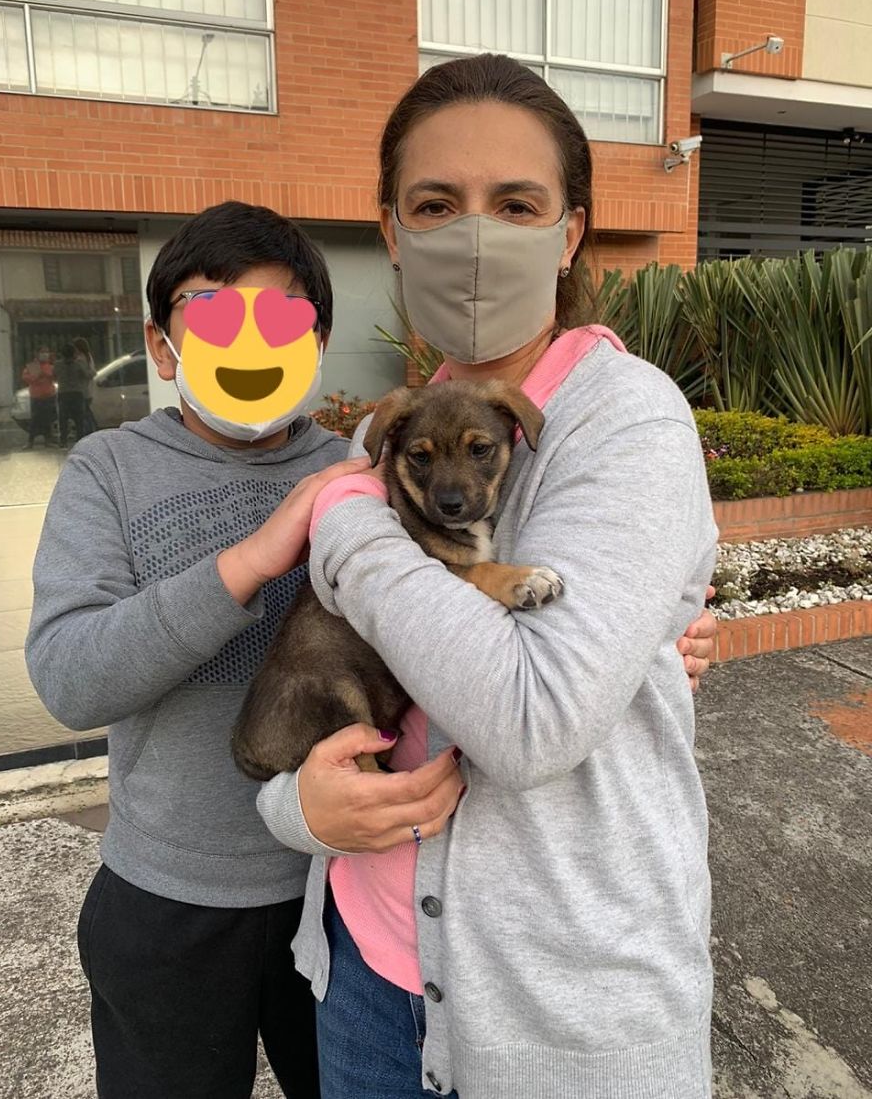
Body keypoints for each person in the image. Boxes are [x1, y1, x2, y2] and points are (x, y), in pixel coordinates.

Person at [27, 199, 714, 1099]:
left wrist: (655, 639)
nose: (247, 345)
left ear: (315, 344)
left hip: (341, 902)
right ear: (162, 346)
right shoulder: (108, 469)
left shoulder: (372, 457)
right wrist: (250, 561)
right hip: (174, 896)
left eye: (280, 320)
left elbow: (466, 609)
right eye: (209, 317)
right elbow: (70, 679)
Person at [257, 54, 719, 1099]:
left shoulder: (626, 419)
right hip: (366, 979)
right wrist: (299, 815)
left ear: (567, 234)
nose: (474, 238)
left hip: (565, 1020)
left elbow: (528, 724)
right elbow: (311, 674)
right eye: (435, 205)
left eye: (515, 204)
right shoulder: (402, 424)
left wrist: (345, 518)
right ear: (391, 234)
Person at [54, 342, 92, 447]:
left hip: (63, 394)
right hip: (77, 394)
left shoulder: (57, 365)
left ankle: (63, 441)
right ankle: (80, 440)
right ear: (74, 353)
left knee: (63, 419)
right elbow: (87, 375)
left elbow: (54, 375)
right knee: (79, 419)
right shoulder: (78, 364)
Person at [21, 345, 57, 448]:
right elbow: (26, 377)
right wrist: (37, 376)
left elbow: (55, 377)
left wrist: (47, 375)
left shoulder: (51, 366)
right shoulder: (33, 365)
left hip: (49, 395)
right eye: (42, 352)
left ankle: (48, 440)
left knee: (48, 419)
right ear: (37, 354)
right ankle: (30, 441)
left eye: (47, 352)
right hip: (36, 397)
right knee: (34, 420)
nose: (45, 354)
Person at [73, 336, 98, 433]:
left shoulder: (80, 359)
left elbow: (86, 373)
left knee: (85, 413)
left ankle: (91, 430)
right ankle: (92, 428)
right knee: (87, 411)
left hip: (83, 389)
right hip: (88, 389)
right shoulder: (88, 357)